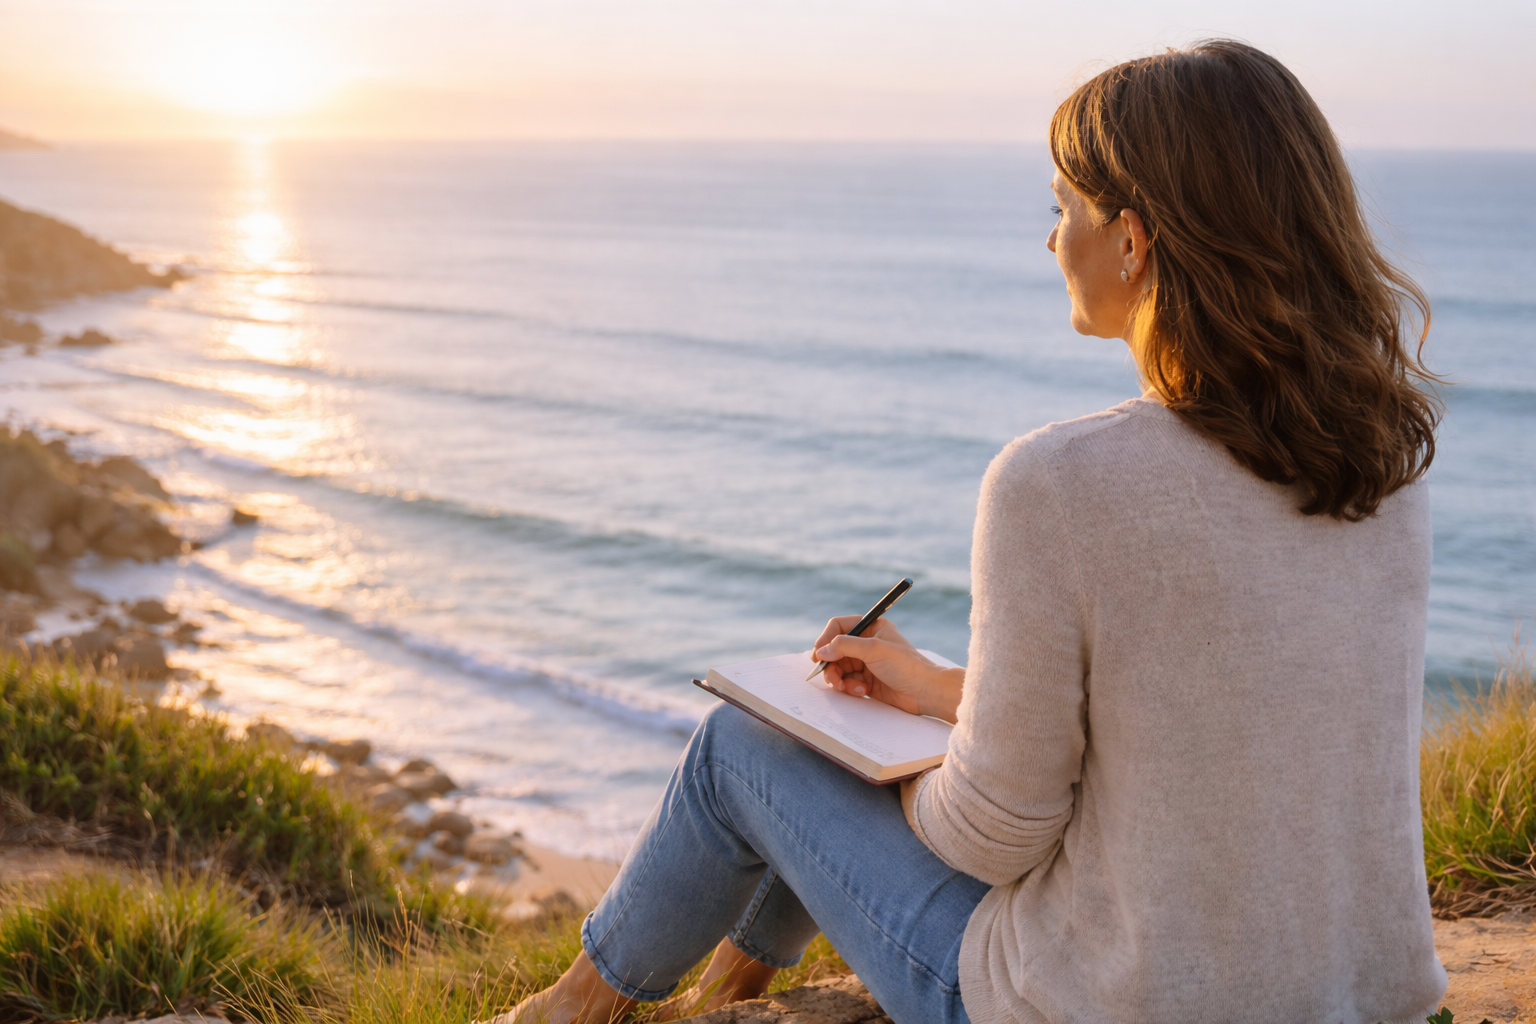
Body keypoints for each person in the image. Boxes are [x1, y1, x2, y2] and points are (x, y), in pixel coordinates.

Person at [492, 39, 1447, 1024]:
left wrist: (873, 758)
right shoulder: (1383, 467)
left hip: (1099, 1004)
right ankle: (728, 989)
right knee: (818, 748)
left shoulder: (1058, 484)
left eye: (1061, 209)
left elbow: (990, 836)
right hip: (1358, 997)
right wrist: (943, 694)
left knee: (746, 746)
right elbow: (1190, 723)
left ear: (1133, 239)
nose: (1050, 243)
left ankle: (567, 1008)